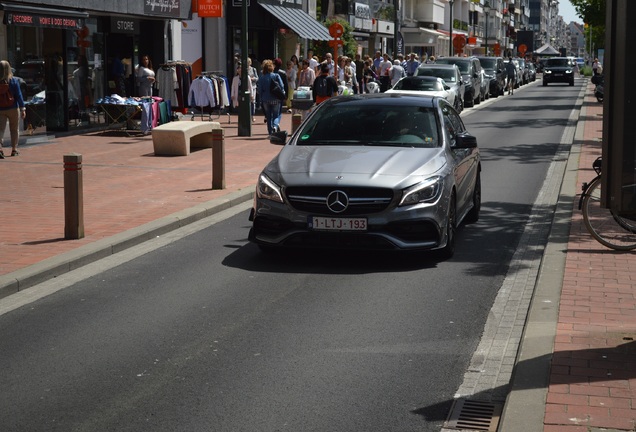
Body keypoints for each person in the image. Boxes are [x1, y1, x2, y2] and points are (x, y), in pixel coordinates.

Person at [0, 60, 26, 158]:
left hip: (0, 109)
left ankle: (0, 149)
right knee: (14, 129)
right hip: (13, 108)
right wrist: (23, 108)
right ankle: (14, 149)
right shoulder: (14, 80)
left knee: (0, 129)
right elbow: (19, 95)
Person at [257, 59, 285, 136]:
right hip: (275, 98)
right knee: (276, 114)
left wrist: (261, 99)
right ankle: (275, 126)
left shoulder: (262, 77)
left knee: (268, 116)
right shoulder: (276, 76)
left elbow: (259, 90)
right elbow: (282, 86)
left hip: (265, 99)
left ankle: (270, 132)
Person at [273, 58, 288, 131]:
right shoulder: (283, 73)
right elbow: (285, 85)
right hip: (280, 94)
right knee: (278, 111)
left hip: (272, 94)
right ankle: (277, 123)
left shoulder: (271, 73)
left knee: (273, 111)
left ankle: (274, 124)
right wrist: (286, 95)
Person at [247, 57, 259, 122]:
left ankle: (252, 115)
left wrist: (253, 79)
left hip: (253, 87)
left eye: (248, 62)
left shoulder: (253, 69)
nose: (248, 64)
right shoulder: (243, 69)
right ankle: (247, 115)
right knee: (247, 102)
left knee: (252, 102)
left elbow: (257, 78)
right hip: (246, 88)